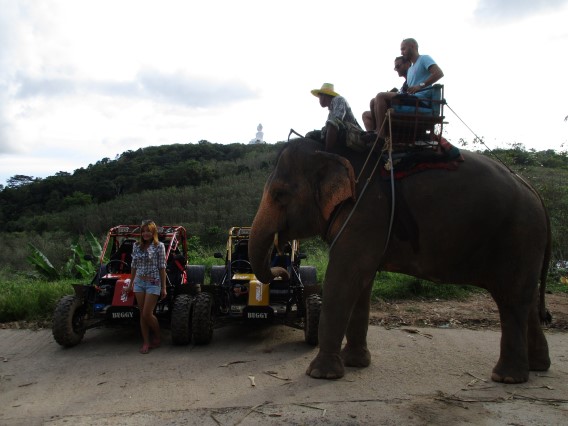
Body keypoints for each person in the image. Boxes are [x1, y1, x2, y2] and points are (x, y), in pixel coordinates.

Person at [366, 38, 444, 136]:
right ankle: (376, 131)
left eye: (403, 49)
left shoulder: (424, 58)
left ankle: (380, 134)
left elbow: (439, 73)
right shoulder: (410, 69)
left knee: (380, 96)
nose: (402, 52)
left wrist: (420, 86)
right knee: (373, 101)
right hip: (410, 98)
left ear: (412, 46)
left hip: (419, 100)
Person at [126, 220, 167, 354]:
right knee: (142, 315)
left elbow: (162, 267)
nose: (145, 234)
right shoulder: (136, 246)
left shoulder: (159, 246)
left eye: (148, 231)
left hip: (153, 282)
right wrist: (131, 283)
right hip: (139, 282)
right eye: (143, 231)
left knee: (147, 313)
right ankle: (146, 342)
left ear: (153, 232)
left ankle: (157, 334)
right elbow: (133, 266)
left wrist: (164, 287)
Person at [362, 56, 411, 131]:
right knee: (367, 112)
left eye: (398, 66)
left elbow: (411, 93)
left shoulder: (414, 77)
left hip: (407, 103)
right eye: (395, 68)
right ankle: (373, 134)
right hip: (401, 100)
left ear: (407, 64)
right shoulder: (405, 83)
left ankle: (380, 132)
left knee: (380, 96)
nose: (396, 69)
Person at [311, 83, 362, 152]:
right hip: (344, 132)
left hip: (353, 134)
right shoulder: (330, 112)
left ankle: (327, 154)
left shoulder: (338, 99)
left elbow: (336, 121)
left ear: (324, 96)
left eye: (320, 96)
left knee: (332, 123)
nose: (319, 99)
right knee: (312, 135)